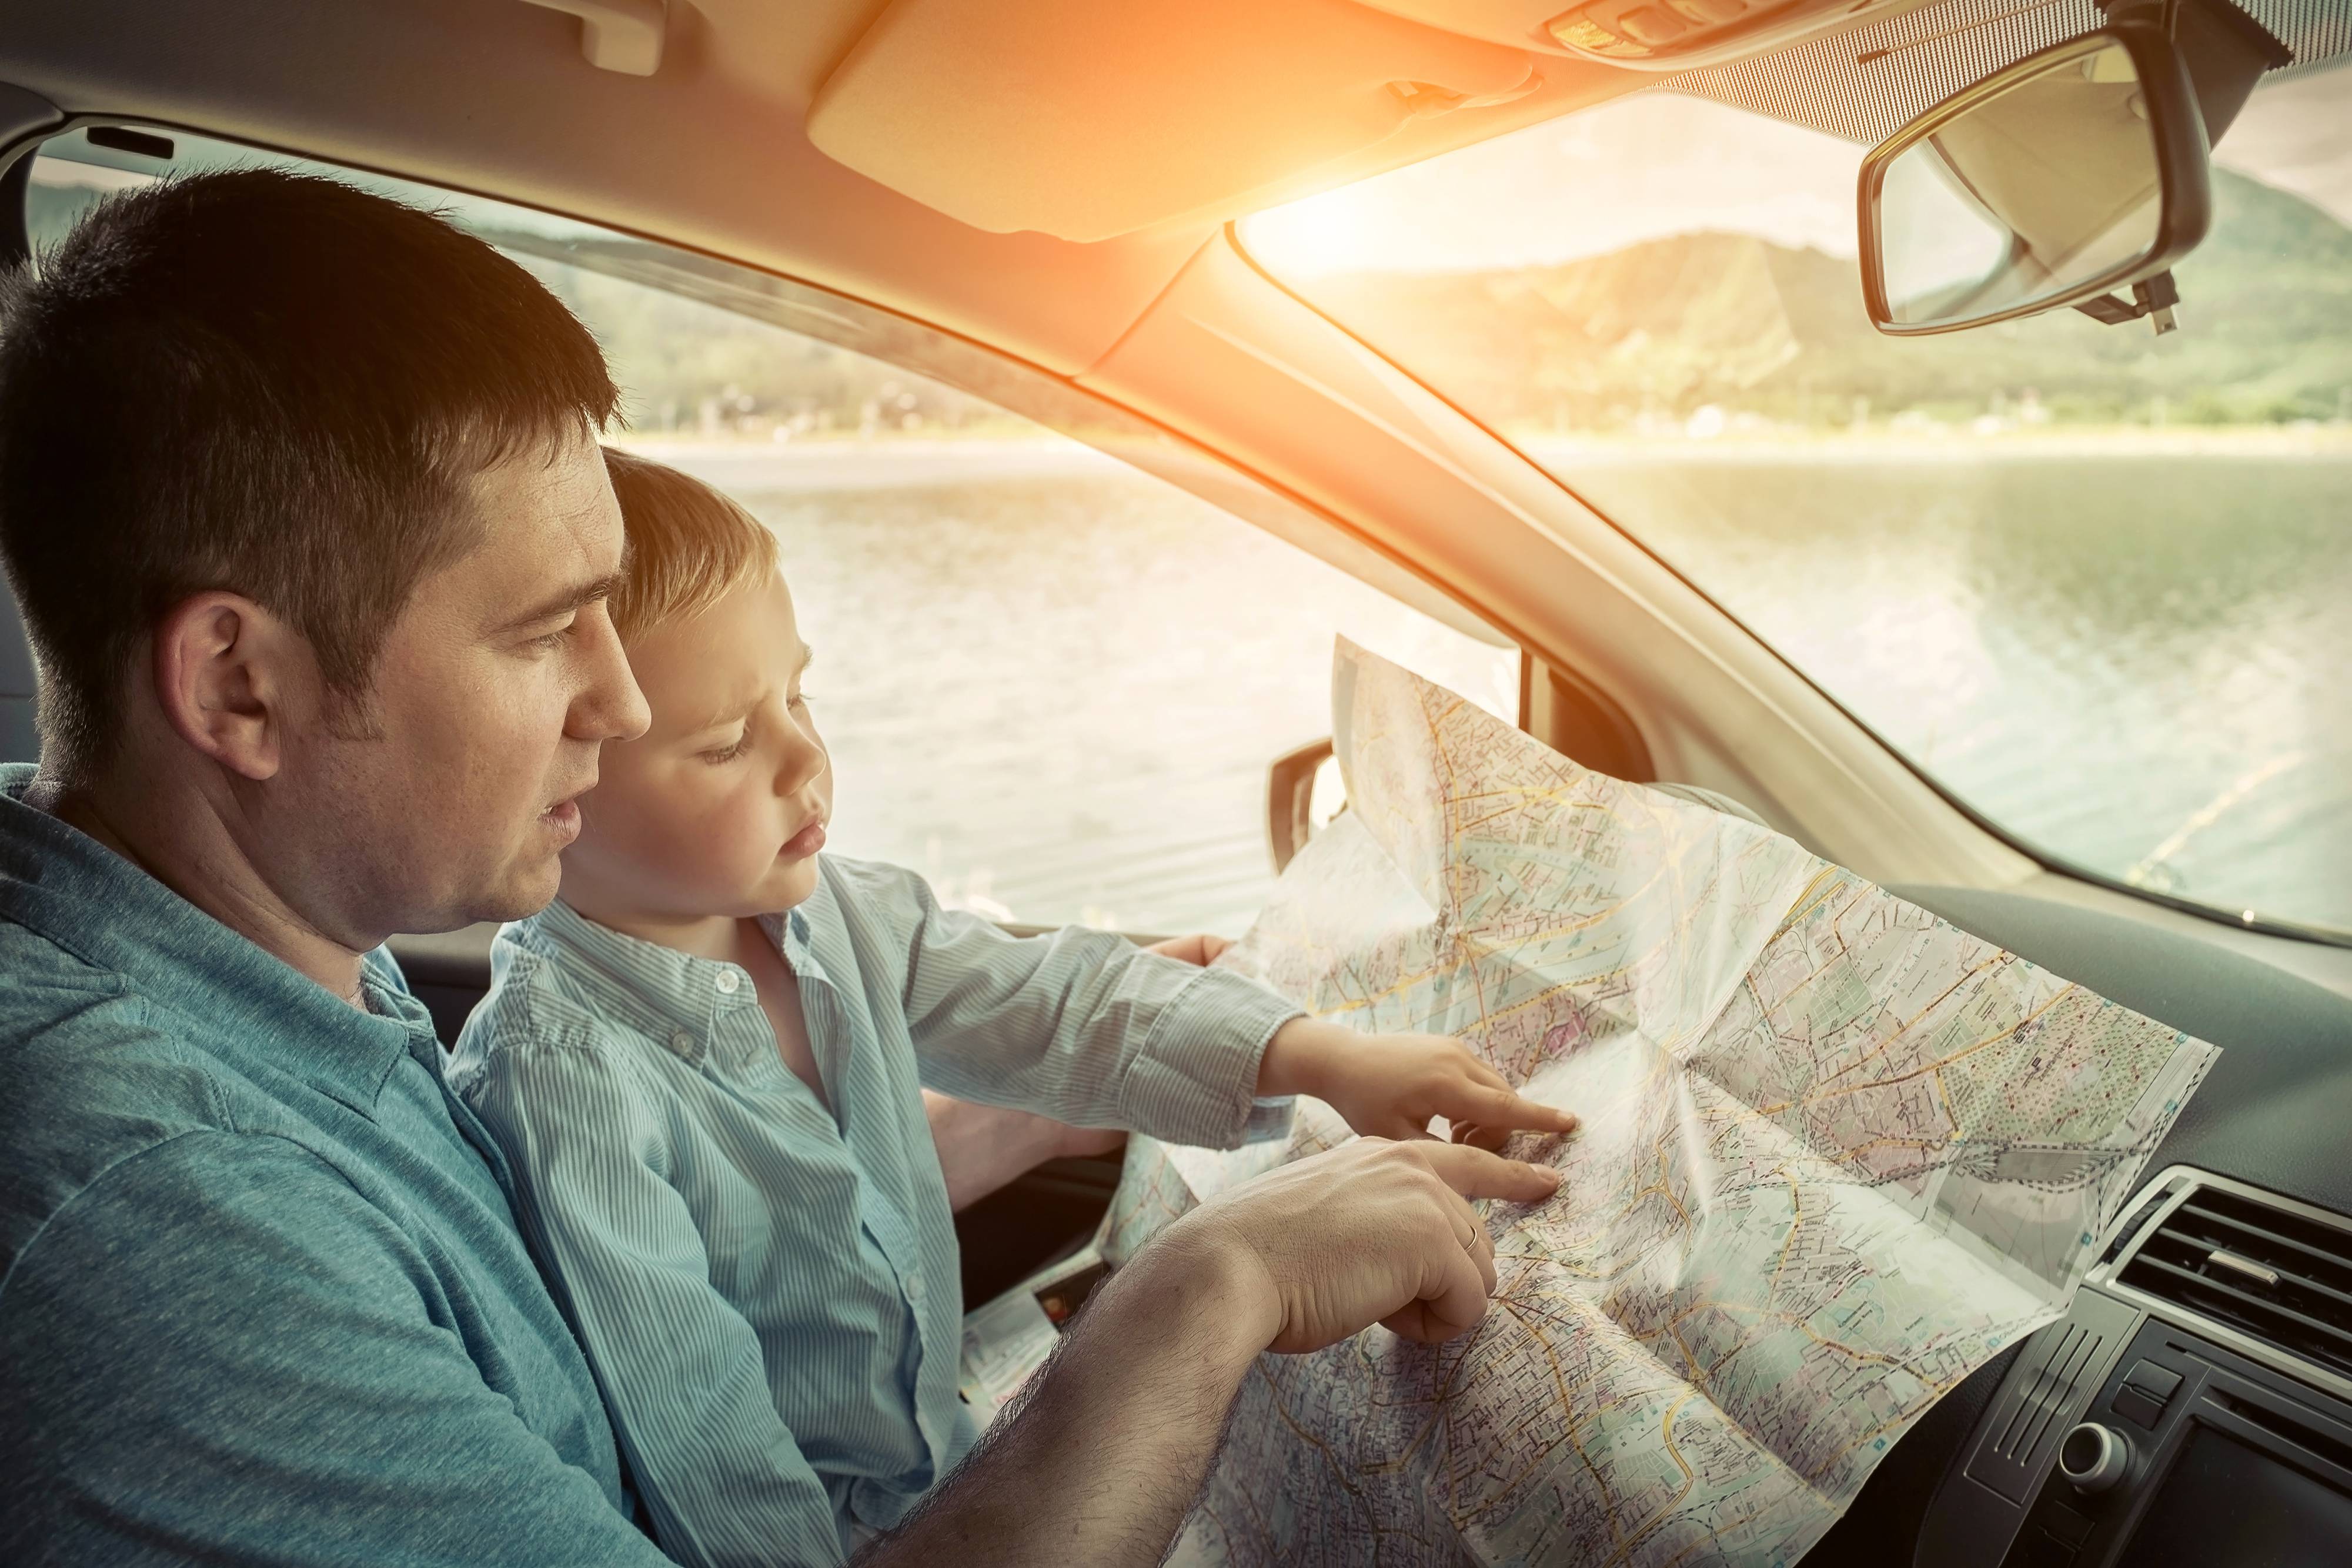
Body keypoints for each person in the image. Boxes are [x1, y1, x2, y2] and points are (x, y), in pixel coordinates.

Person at [0, 166, 1568, 1566]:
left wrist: (1024, 1114)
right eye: (547, 632)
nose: (614, 709)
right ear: (239, 689)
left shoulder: (285, 973)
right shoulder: (158, 1223)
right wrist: (1209, 1289)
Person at [446, 449, 1581, 1566]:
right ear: (561, 779)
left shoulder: (834, 913)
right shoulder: (564, 1088)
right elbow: (698, 1444)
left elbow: (1058, 1002)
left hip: (946, 1461)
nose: (808, 759)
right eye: (729, 744)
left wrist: (1313, 1054)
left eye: (798, 694)